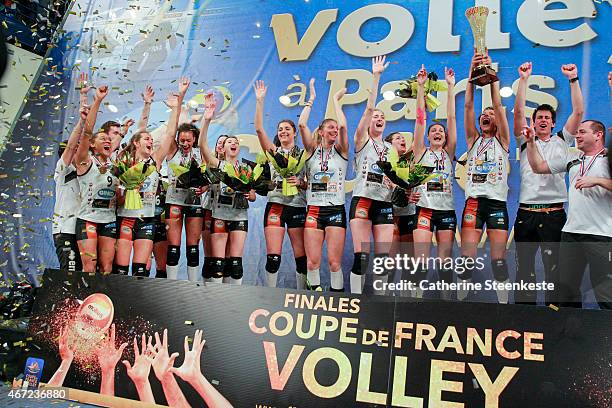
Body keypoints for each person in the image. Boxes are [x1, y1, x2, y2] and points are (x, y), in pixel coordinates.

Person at [512, 62, 584, 305]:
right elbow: (519, 113)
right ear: (533, 123)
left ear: (553, 123)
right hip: (526, 214)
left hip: (554, 214)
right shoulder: (525, 140)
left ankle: (553, 314)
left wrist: (573, 79)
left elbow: (579, 113)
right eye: (539, 117)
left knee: (555, 269)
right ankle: (525, 314)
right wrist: (523, 80)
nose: (543, 120)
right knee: (525, 270)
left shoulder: (563, 140)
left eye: (547, 118)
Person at [526, 119, 611, 309]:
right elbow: (538, 167)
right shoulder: (572, 159)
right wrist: (531, 143)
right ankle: (569, 335)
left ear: (598, 135)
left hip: (602, 235)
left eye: (582, 132)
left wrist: (597, 180)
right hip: (571, 233)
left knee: (606, 293)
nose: (577, 136)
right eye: (577, 133)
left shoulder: (608, 159)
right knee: (566, 292)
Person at [113, 84, 184, 276]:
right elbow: (140, 129)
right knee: (119, 270)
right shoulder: (126, 161)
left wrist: (175, 108)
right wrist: (147, 105)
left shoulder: (156, 161)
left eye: (151, 139)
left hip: (147, 219)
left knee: (140, 271)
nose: (150, 140)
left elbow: (170, 133)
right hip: (126, 217)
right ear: (136, 143)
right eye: (146, 139)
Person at [461, 50, 511, 303]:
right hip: (473, 202)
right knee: (467, 257)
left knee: (498, 259)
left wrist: (490, 74)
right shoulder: (473, 141)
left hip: (496, 204)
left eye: (491, 114)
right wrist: (472, 73)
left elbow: (499, 106)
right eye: (485, 114)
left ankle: (504, 306)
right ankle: (461, 302)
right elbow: (469, 105)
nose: (486, 114)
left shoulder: (502, 141)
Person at [254, 80, 307, 289]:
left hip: (297, 206)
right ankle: (270, 296)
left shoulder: (304, 154)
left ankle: (303, 295)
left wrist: (300, 182)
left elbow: (312, 184)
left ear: (294, 132)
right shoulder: (273, 153)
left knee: (301, 257)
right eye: (280, 129)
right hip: (275, 204)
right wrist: (260, 101)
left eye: (287, 128)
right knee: (273, 257)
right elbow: (258, 129)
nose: (283, 131)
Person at [412, 65, 458, 299]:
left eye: (441, 131)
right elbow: (421, 119)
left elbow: (451, 117)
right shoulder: (420, 151)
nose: (438, 132)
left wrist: (450, 88)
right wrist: (420, 87)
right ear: (428, 136)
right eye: (434, 130)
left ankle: (445, 303)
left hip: (446, 211)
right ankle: (416, 303)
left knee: (444, 260)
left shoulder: (449, 153)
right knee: (421, 259)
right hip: (425, 211)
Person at [298, 80, 349, 291]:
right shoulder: (310, 151)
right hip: (314, 210)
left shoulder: (342, 151)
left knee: (335, 263)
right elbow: (301, 125)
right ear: (320, 131)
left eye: (335, 128)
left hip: (335, 210)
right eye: (330, 127)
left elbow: (344, 126)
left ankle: (337, 300)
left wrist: (337, 101)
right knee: (312, 262)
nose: (335, 130)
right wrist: (311, 100)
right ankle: (314, 301)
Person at [199, 94, 256, 285]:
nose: (233, 143)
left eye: (236, 142)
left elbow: (253, 195)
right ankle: (214, 304)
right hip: (219, 217)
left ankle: (233, 303)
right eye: (228, 142)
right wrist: (206, 119)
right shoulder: (217, 165)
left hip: (239, 217)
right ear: (221, 149)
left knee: (236, 264)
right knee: (217, 264)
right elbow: (202, 145)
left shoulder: (247, 168)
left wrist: (252, 194)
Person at [349, 55, 394, 295]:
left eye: (382, 117)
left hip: (384, 202)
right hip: (363, 201)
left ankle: (382, 302)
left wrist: (395, 184)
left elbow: (397, 178)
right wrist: (376, 77)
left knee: (384, 258)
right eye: (375, 116)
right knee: (362, 257)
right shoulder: (361, 140)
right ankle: (356, 303)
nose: (378, 118)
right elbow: (368, 108)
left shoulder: (391, 149)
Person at [73, 85, 118, 274]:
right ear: (92, 145)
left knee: (107, 268)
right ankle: (87, 302)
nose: (107, 141)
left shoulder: (116, 166)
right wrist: (97, 101)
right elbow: (87, 132)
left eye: (109, 139)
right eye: (102, 139)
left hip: (109, 220)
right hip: (87, 220)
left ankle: (103, 302)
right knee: (90, 266)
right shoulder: (85, 161)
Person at [164, 78, 205, 281]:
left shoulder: (201, 153)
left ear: (195, 139)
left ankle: (193, 285)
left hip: (194, 201)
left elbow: (211, 177)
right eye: (182, 140)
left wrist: (204, 188)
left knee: (193, 247)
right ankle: (172, 285)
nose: (185, 143)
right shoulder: (172, 150)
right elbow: (171, 130)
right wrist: (179, 100)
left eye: (189, 140)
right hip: (174, 200)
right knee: (173, 247)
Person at [53, 73, 90, 272]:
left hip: (84, 230)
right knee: (70, 274)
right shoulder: (62, 169)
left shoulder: (87, 169)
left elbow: (86, 140)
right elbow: (74, 143)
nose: (78, 151)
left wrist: (86, 97)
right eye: (73, 149)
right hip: (65, 230)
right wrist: (81, 121)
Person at [385, 132, 421, 295]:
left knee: (409, 260)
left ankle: (407, 299)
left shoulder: (410, 162)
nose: (402, 140)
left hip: (408, 214)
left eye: (403, 138)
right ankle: (386, 295)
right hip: (390, 214)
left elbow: (417, 142)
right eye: (397, 138)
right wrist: (397, 189)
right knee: (390, 260)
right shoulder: (383, 163)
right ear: (388, 144)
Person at [201, 134, 227, 282]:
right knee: (209, 256)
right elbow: (202, 144)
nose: (220, 145)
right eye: (219, 142)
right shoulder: (208, 162)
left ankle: (224, 292)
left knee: (224, 258)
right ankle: (205, 292)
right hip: (208, 210)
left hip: (226, 213)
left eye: (224, 143)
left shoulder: (234, 166)